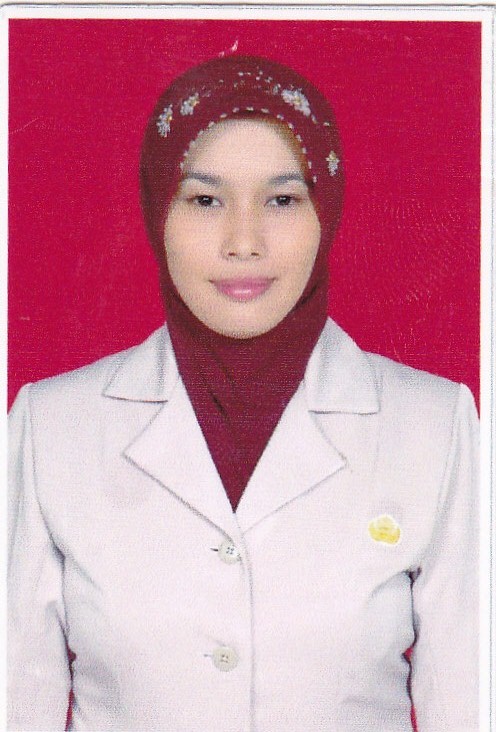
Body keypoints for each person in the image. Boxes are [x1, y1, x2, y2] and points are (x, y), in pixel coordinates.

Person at [8, 55, 479, 732]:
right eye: (205, 200)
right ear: (157, 211)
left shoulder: (434, 427)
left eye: (282, 200)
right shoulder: (51, 428)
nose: (244, 242)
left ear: (326, 211)